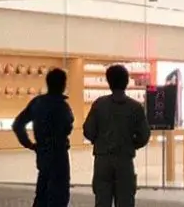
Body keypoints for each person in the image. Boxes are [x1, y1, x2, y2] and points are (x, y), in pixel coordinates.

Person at [82, 64, 151, 207]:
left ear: (109, 82)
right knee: (125, 201)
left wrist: (99, 141)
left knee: (102, 201)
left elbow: (88, 130)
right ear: (126, 82)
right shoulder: (135, 107)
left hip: (102, 159)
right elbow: (144, 135)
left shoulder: (99, 104)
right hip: (124, 160)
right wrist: (132, 144)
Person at [13, 67, 74, 207]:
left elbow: (18, 124)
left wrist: (29, 144)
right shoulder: (62, 106)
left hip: (42, 152)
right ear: (63, 84)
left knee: (42, 193)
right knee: (59, 195)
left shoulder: (37, 103)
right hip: (59, 154)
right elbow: (68, 126)